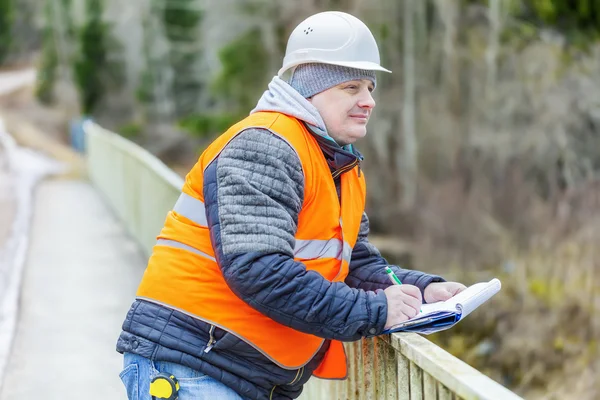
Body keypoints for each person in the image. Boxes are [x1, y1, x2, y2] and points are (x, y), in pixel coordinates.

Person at [116, 10, 466, 400]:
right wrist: (374, 312)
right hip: (194, 365)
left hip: (243, 376)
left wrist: (421, 290)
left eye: (369, 87)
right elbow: (259, 269)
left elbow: (354, 264)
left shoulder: (338, 164)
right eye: (351, 87)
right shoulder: (264, 146)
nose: (368, 101)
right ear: (310, 91)